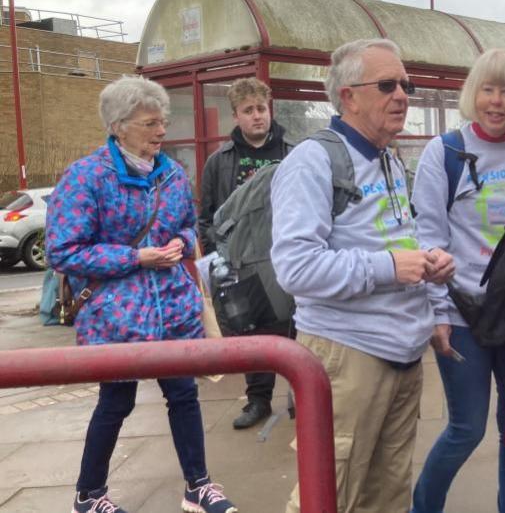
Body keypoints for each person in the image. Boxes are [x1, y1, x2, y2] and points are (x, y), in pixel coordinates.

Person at [270, 38, 455, 513]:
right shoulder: (312, 161)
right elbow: (295, 267)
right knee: (327, 495)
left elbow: (393, 242)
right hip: (346, 356)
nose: (402, 96)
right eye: (388, 85)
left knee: (388, 494)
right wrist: (391, 267)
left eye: (406, 85)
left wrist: (427, 268)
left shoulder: (389, 158)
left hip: (402, 353)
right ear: (348, 96)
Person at [46, 75, 237, 513]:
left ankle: (198, 486)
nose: (161, 131)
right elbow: (63, 250)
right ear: (119, 127)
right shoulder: (86, 176)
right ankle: (89, 494)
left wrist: (181, 244)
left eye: (163, 121)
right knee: (116, 402)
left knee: (184, 396)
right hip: (117, 317)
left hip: (173, 309)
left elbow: (190, 226)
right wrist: (136, 258)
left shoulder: (170, 174)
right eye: (151, 123)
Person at [410, 48, 505, 513]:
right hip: (461, 312)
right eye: (488, 89)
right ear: (473, 93)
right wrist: (437, 314)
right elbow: (428, 237)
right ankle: (424, 508)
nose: (497, 101)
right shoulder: (444, 152)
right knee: (467, 429)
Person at [198, 76, 294, 430]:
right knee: (254, 335)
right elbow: (206, 216)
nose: (258, 116)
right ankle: (258, 401)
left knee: (297, 328)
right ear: (235, 116)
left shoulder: (293, 153)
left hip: (285, 258)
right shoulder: (219, 162)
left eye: (262, 108)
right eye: (248, 110)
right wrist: (217, 258)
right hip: (242, 266)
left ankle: (302, 394)